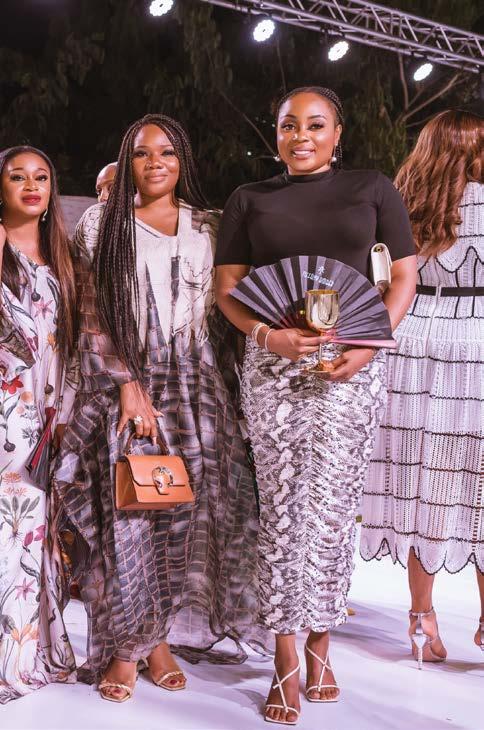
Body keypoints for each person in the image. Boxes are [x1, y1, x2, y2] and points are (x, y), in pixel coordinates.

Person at [215, 86, 417, 725]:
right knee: (282, 510)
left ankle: (322, 644)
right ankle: (284, 654)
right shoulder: (249, 198)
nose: (300, 136)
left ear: (338, 133)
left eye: (315, 124)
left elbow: (404, 277)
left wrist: (369, 345)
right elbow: (228, 290)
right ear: (276, 133)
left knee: (331, 509)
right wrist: (267, 337)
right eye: (288, 125)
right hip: (273, 366)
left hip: (350, 366)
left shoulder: (374, 188)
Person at [53, 113, 267, 703]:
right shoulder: (102, 224)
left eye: (167, 153)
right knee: (131, 515)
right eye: (143, 153)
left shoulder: (209, 225)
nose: (155, 163)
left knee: (183, 520)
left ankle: (161, 640)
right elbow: (89, 311)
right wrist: (126, 381)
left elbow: (229, 306)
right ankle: (128, 649)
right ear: (128, 161)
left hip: (197, 390)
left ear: (182, 161)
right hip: (130, 386)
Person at [360, 109, 484, 666]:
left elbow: (378, 282)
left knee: (422, 486)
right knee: (479, 492)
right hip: (476, 347)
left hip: (410, 348)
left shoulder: (401, 205)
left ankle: (421, 620)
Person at [0, 146, 76, 703]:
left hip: (48, 412)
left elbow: (68, 344)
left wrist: (63, 411)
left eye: (42, 177)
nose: (31, 185)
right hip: (7, 410)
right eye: (17, 176)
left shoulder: (64, 259)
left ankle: (27, 648)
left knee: (32, 529)